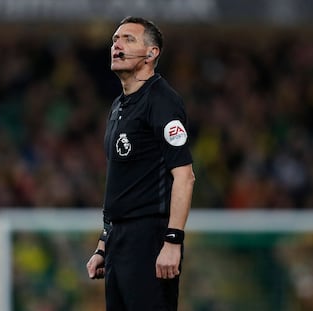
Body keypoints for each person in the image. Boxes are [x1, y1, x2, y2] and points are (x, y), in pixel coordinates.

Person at [86, 16, 195, 311]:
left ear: (151, 53)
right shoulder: (118, 106)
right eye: (114, 40)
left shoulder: (162, 101)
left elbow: (185, 176)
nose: (116, 45)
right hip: (119, 241)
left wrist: (172, 242)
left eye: (128, 39)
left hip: (150, 239)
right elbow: (121, 183)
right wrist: (103, 244)